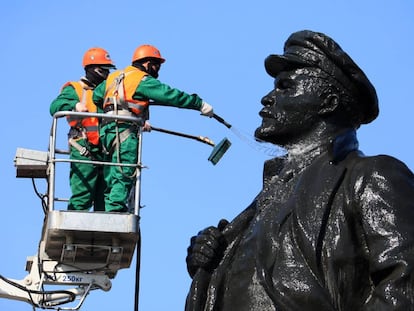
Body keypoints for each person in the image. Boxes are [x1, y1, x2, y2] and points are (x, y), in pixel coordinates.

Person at [185, 30, 414, 311]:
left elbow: (403, 286)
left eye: (285, 87)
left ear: (328, 102)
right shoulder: (267, 198)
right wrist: (210, 262)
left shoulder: (371, 176)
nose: (268, 98)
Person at [93, 44, 214, 213]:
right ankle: (114, 213)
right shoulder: (142, 80)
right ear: (147, 63)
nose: (158, 69)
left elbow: (96, 95)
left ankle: (107, 211)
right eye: (156, 64)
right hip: (125, 131)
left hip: (108, 131)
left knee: (111, 173)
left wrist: (125, 111)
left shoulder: (114, 77)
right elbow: (170, 95)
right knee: (124, 171)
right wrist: (198, 104)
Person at [50, 47, 116, 211]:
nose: (106, 74)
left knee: (106, 197)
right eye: (103, 70)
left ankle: (104, 231)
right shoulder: (75, 89)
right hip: (83, 148)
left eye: (108, 70)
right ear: (91, 68)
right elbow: (55, 106)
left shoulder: (108, 93)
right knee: (82, 195)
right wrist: (75, 105)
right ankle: (73, 227)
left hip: (106, 150)